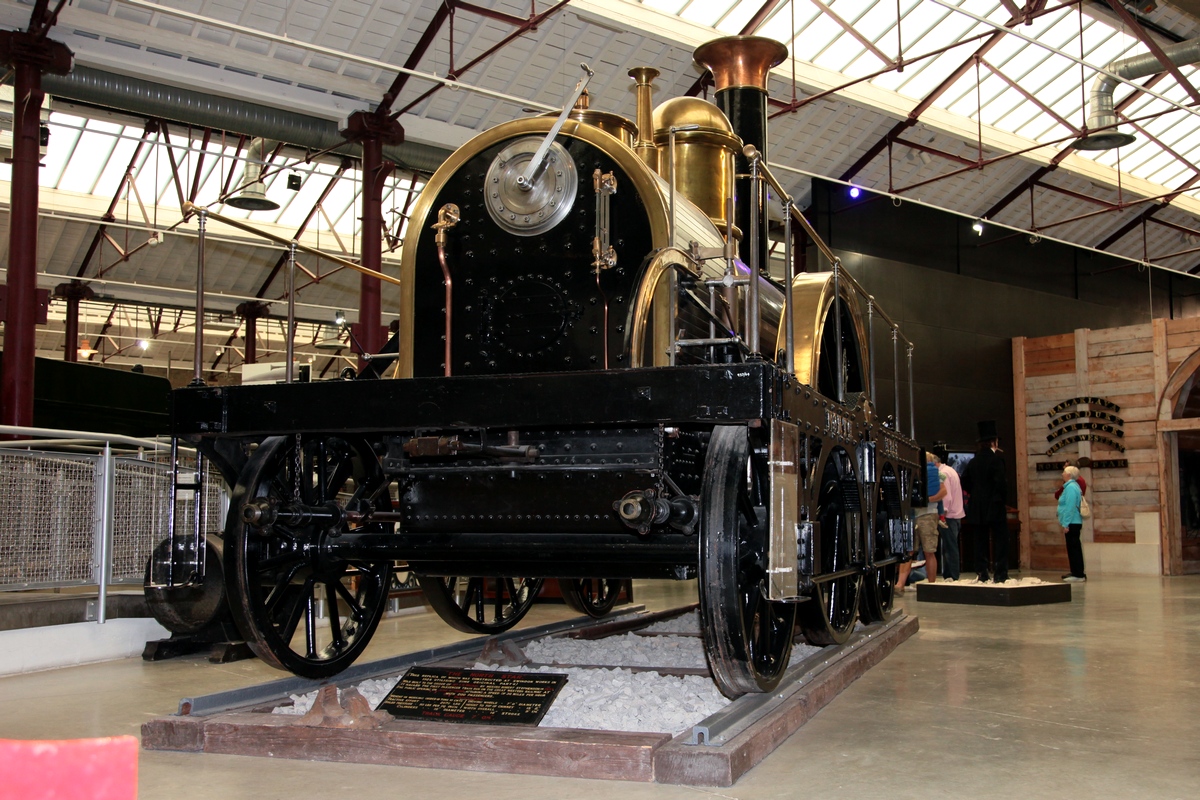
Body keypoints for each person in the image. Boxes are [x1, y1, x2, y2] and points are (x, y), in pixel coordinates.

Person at [961, 420, 1009, 583]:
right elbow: (1001, 484)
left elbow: (964, 481)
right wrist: (1000, 499)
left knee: (979, 540)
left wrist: (975, 493)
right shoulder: (997, 460)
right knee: (1000, 539)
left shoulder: (973, 462)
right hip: (994, 505)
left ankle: (982, 572)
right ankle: (1000, 573)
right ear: (993, 442)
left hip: (977, 506)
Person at [897, 451, 946, 592]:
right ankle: (901, 584)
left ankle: (930, 584)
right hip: (920, 514)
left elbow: (943, 492)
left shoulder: (936, 475)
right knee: (913, 551)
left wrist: (925, 500)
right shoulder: (931, 473)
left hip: (926, 514)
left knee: (926, 550)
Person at [932, 444, 964, 581]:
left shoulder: (943, 474)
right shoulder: (951, 470)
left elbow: (946, 497)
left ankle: (952, 575)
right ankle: (950, 574)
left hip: (949, 516)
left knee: (950, 547)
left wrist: (942, 515)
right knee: (951, 546)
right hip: (956, 514)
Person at [1058, 465, 1087, 582]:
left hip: (1072, 522)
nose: (1062, 474)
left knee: (1073, 548)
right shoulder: (1074, 486)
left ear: (1069, 475)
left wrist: (1066, 523)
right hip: (1074, 521)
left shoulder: (1070, 488)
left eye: (1064, 472)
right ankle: (1076, 571)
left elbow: (1070, 507)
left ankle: (1078, 574)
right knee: (1073, 547)